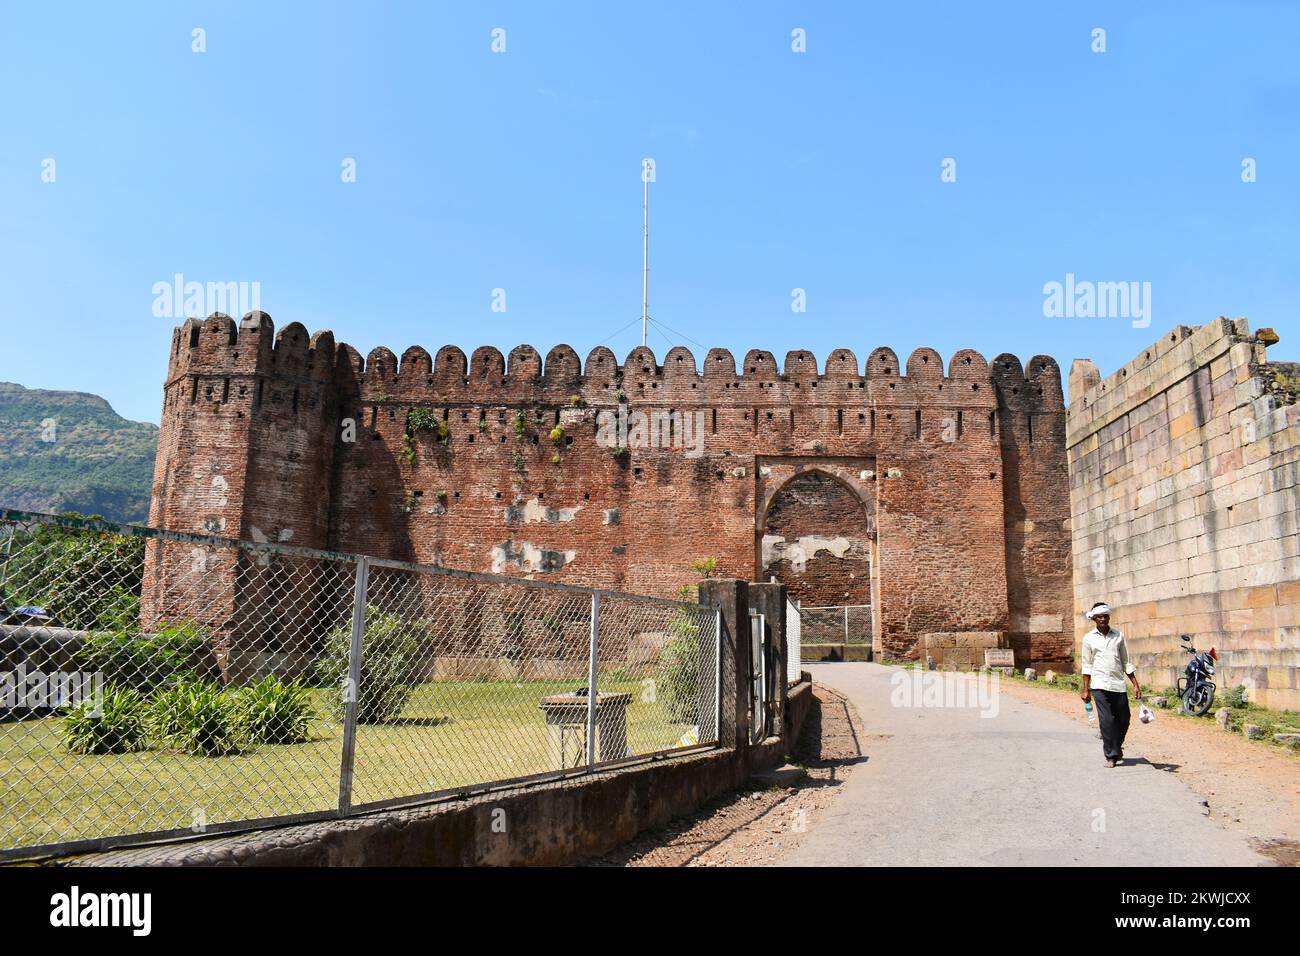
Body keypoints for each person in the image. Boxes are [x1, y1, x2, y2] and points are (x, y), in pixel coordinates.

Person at [1079, 602, 1142, 767]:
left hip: (1118, 684)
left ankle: (1116, 746)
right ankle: (1111, 755)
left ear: (1109, 617)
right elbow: (1087, 665)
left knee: (1124, 719)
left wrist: (1135, 684)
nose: (1103, 619)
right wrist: (1086, 689)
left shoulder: (1118, 636)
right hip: (1099, 684)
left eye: (1105, 616)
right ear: (1094, 618)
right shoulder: (1088, 639)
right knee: (1107, 721)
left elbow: (1126, 662)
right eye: (1099, 616)